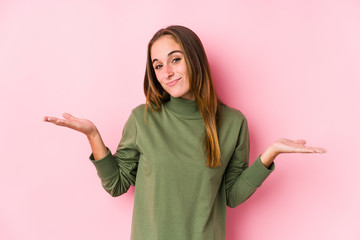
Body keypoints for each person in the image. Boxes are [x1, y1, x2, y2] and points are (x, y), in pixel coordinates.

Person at [44, 25, 326, 240]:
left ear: (194, 59)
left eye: (175, 59)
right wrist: (93, 135)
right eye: (157, 66)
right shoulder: (143, 119)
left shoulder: (233, 123)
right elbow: (116, 185)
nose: (166, 72)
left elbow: (231, 195)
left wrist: (269, 154)